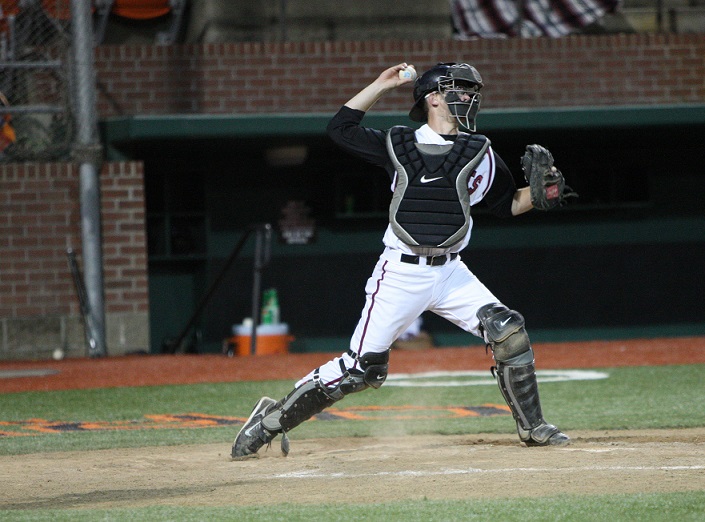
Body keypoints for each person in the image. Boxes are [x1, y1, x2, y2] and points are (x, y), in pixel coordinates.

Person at [232, 62, 574, 459]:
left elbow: (508, 204)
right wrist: (381, 85)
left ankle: (533, 428)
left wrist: (543, 193)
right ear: (432, 97)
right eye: (459, 90)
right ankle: (269, 421)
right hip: (400, 271)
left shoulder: (480, 152)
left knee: (509, 331)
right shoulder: (399, 144)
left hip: (450, 271)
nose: (469, 97)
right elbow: (339, 130)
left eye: (472, 91)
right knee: (363, 369)